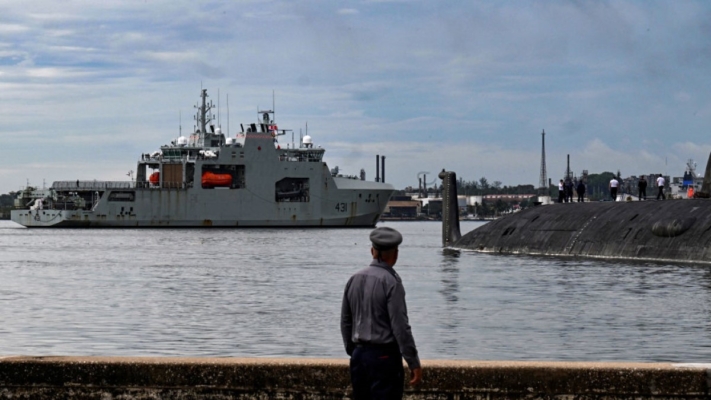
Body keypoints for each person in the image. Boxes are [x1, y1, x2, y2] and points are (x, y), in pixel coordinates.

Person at [341, 227, 422, 399]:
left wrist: (353, 350)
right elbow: (400, 327)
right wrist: (412, 362)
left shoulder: (353, 279)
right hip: (384, 357)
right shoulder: (391, 282)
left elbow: (345, 321)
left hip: (358, 356)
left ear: (372, 251)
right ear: (395, 255)